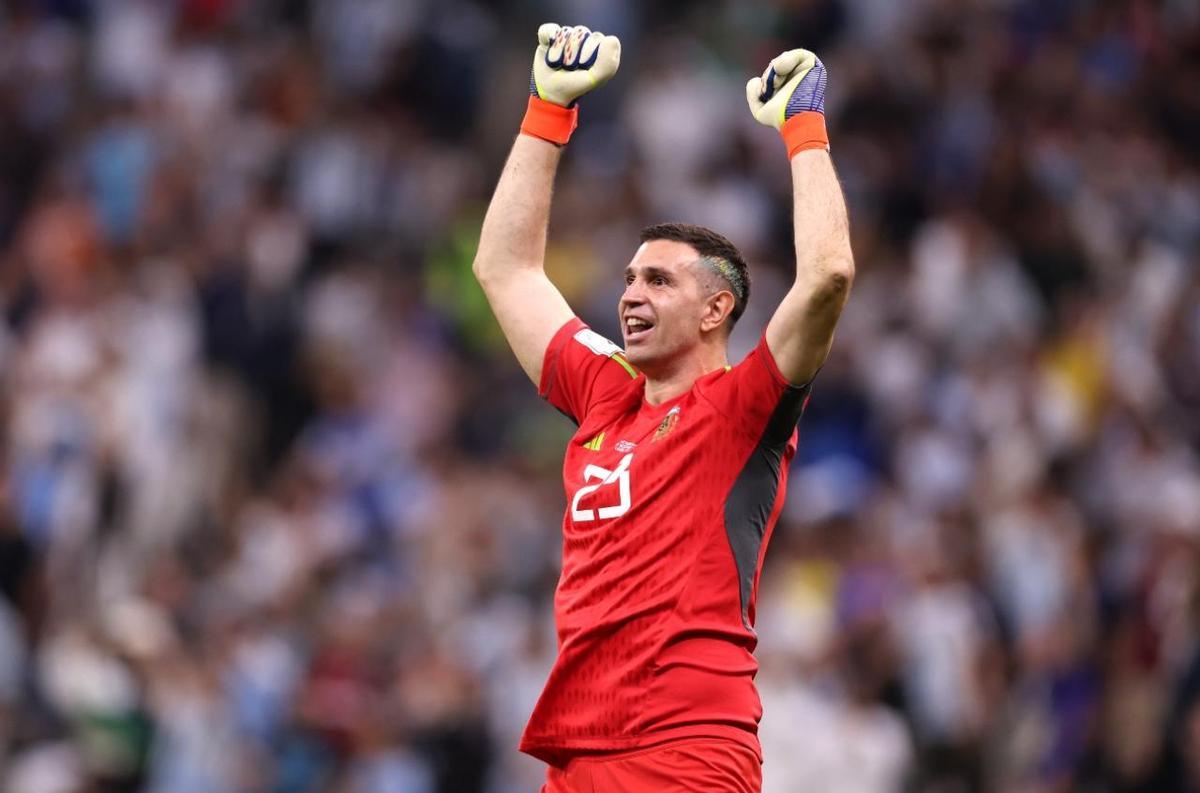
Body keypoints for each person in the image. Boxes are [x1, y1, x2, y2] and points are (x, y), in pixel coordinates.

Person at [473, 23, 854, 793]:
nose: (629, 295)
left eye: (658, 281)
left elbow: (828, 276)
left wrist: (803, 127)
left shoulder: (743, 407)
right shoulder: (604, 392)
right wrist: (547, 111)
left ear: (717, 309)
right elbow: (505, 270)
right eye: (628, 278)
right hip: (578, 755)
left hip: (688, 749)